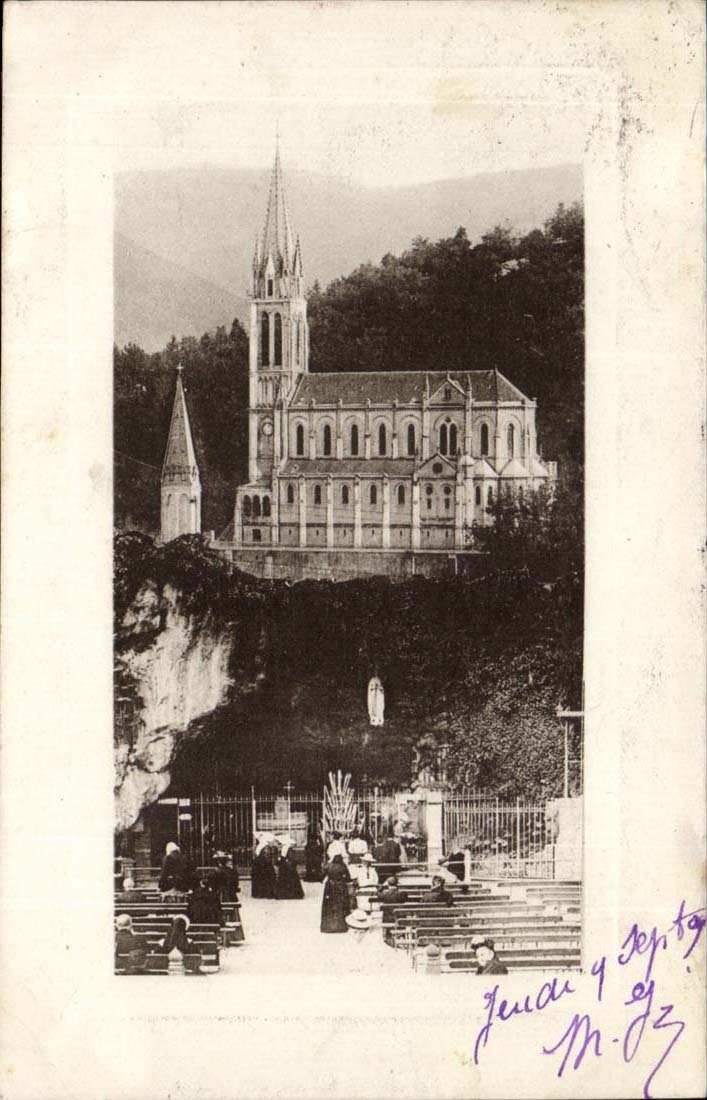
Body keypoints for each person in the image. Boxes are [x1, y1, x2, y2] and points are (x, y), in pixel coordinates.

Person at [320, 853, 352, 933]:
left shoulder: (328, 866)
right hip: (340, 887)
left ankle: (328, 926)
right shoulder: (343, 866)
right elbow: (348, 878)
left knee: (329, 906)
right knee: (340, 905)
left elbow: (321, 876)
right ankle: (340, 926)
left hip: (329, 887)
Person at [377, 875, 409, 945]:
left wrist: (382, 886)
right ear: (397, 884)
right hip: (399, 918)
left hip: (388, 919)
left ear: (388, 884)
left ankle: (388, 936)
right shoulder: (402, 894)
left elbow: (378, 893)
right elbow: (406, 895)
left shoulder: (384, 894)